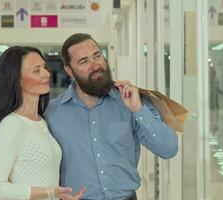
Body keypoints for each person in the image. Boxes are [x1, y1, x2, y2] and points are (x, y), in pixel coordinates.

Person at [44, 33, 178, 200]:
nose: (95, 65)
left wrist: (138, 109)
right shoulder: (52, 113)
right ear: (69, 70)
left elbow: (169, 149)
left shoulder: (130, 101)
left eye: (97, 56)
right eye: (84, 61)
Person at [0, 46, 85, 200]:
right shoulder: (12, 124)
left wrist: (58, 195)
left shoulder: (42, 121)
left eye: (44, 67)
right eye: (36, 70)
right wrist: (49, 192)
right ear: (17, 80)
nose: (46, 73)